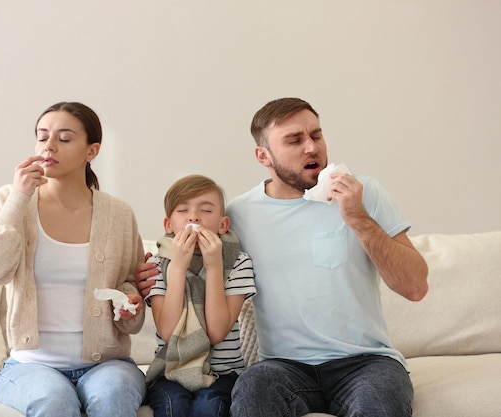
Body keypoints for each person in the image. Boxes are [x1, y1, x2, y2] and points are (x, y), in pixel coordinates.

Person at [136, 97, 429, 417]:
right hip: (282, 367)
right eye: (294, 140)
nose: (311, 148)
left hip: (366, 362)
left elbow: (415, 287)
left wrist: (358, 219)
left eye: (316, 135)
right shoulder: (239, 215)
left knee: (379, 403)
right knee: (251, 390)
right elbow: (189, 257)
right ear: (263, 155)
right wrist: (147, 275)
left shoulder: (364, 192)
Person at [0, 101, 147, 417]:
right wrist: (19, 197)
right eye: (42, 137)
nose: (49, 146)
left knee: (113, 397)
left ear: (91, 151)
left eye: (64, 139)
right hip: (31, 366)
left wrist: (130, 302)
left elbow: (128, 282)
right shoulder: (10, 200)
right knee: (55, 402)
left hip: (106, 364)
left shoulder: (118, 214)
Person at [143, 175, 256, 417]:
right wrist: (179, 268)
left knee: (209, 407)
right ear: (168, 225)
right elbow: (167, 331)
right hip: (170, 370)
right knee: (173, 407)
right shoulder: (156, 264)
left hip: (224, 373)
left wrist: (214, 266)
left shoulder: (238, 263)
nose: (194, 217)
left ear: (223, 225)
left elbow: (215, 332)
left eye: (205, 210)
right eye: (183, 210)